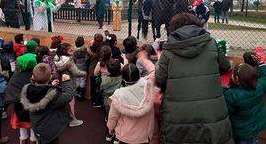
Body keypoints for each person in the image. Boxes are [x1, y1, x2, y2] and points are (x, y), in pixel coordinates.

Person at [156, 13, 233, 144]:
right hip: (211, 114)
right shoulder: (211, 43)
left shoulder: (168, 50)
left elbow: (160, 79)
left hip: (178, 116)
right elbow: (225, 67)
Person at [21, 63, 74, 144]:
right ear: (50, 76)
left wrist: (50, 85)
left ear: (33, 76)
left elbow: (39, 90)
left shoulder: (27, 89)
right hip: (49, 131)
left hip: (37, 126)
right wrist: (67, 82)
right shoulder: (53, 96)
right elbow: (68, 96)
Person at [107, 63, 155, 144]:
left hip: (126, 135)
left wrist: (110, 129)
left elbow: (113, 117)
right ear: (139, 75)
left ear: (123, 77)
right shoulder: (148, 86)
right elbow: (153, 70)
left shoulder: (118, 95)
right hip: (145, 134)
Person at [4, 41, 38, 144]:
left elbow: (11, 88)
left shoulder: (16, 75)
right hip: (32, 107)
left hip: (19, 105)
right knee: (32, 124)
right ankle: (33, 140)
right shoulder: (34, 76)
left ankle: (23, 139)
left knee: (21, 124)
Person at [224, 62, 266, 144]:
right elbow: (265, 76)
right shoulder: (260, 85)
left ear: (236, 79)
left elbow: (226, 112)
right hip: (255, 127)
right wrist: (260, 63)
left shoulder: (232, 94)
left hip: (241, 132)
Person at [54, 43, 86, 127]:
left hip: (59, 82)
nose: (72, 52)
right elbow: (76, 73)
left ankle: (62, 118)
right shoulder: (69, 61)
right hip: (68, 82)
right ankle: (72, 120)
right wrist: (85, 73)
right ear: (65, 52)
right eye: (70, 51)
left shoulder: (56, 57)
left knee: (62, 101)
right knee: (70, 101)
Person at [100, 59, 122, 143]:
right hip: (118, 101)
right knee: (119, 119)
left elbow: (102, 89)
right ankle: (117, 136)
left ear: (108, 70)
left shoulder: (104, 79)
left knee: (110, 118)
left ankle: (110, 134)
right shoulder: (122, 78)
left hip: (107, 102)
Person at [88, 33, 104, 107]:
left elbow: (90, 57)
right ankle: (99, 101)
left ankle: (93, 101)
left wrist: (90, 46)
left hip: (92, 71)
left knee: (93, 86)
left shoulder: (91, 49)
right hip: (100, 71)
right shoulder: (103, 47)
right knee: (99, 86)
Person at [73, 36, 89, 101]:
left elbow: (73, 57)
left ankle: (77, 94)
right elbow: (87, 58)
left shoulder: (73, 49)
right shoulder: (85, 49)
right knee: (82, 80)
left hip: (76, 65)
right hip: (83, 66)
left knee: (77, 79)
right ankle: (81, 95)